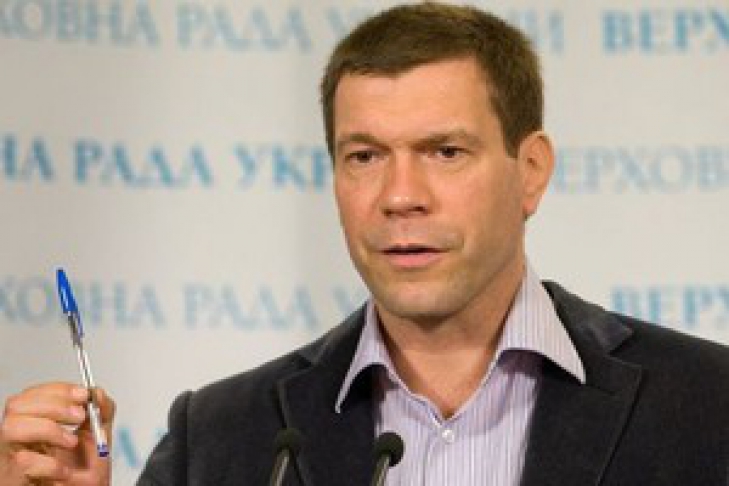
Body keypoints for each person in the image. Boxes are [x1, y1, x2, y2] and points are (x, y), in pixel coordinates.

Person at [2, 2, 729, 485]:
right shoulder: (223, 438)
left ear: (530, 170)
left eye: (444, 151)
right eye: (364, 156)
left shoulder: (703, 407)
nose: (399, 195)